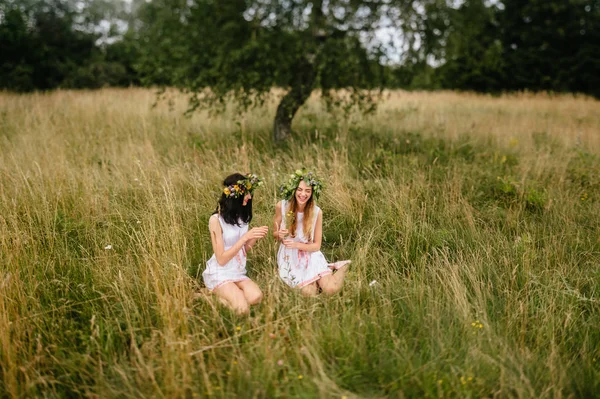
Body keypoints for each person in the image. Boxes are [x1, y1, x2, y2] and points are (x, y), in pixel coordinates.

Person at [273, 169, 351, 296]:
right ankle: (324, 273)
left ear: (312, 193)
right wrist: (279, 234)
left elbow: (316, 246)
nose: (303, 194)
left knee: (331, 289)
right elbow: (274, 234)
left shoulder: (316, 212)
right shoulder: (281, 206)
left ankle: (343, 266)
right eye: (299, 189)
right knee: (309, 293)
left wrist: (297, 245)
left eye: (307, 191)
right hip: (289, 256)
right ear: (294, 190)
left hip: (310, 253)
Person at [202, 173, 269, 314]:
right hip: (220, 272)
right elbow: (221, 259)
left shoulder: (242, 218)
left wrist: (254, 236)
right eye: (246, 194)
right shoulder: (216, 220)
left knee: (256, 297)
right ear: (235, 195)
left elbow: (243, 251)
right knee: (242, 309)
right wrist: (245, 238)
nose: (249, 197)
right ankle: (207, 296)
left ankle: (228, 293)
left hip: (237, 271)